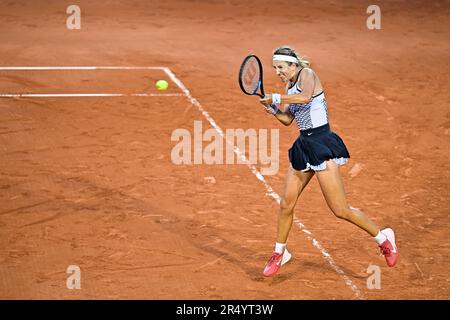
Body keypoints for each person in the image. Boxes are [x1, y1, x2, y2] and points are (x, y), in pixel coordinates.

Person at [259, 46, 398, 277]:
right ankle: (280, 253)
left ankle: (384, 238)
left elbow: (304, 97)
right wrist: (273, 109)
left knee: (340, 209)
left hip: (323, 144)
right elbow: (287, 119)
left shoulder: (307, 75)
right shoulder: (288, 87)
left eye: (280, 67)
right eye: (275, 68)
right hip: (304, 146)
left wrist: (275, 97)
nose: (277, 72)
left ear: (293, 65)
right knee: (286, 204)